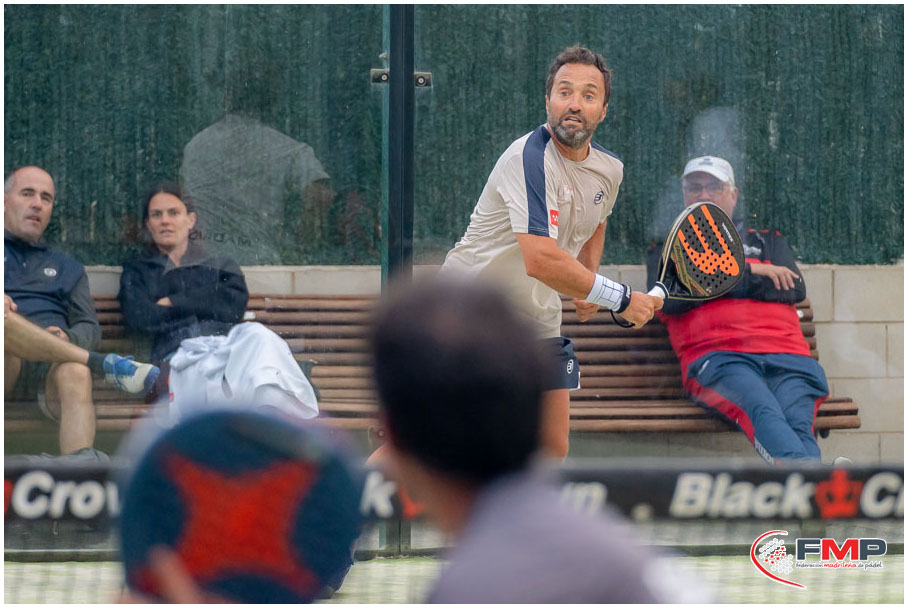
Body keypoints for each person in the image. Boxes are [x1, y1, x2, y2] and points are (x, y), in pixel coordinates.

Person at [370, 278, 706, 603]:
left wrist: (613, 295)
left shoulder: (469, 588)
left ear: (393, 432)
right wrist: (617, 297)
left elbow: (546, 258)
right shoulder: (614, 550)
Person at [440, 45, 663, 458]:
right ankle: (349, 497)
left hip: (536, 320)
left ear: (603, 111)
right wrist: (619, 298)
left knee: (551, 448)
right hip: (468, 315)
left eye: (588, 95)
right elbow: (540, 259)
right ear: (548, 101)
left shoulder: (609, 170)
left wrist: (587, 279)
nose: (574, 104)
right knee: (430, 448)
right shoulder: (527, 159)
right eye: (564, 92)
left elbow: (598, 219)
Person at [646, 155, 829, 464]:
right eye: (695, 187)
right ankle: (812, 481)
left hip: (790, 357)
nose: (704, 194)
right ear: (684, 195)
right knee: (762, 409)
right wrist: (754, 271)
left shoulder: (767, 241)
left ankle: (805, 481)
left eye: (714, 187)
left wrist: (705, 280)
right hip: (722, 359)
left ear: (733, 194)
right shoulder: (667, 247)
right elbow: (669, 300)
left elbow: (793, 289)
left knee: (797, 422)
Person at [118, 182, 318, 422]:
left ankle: (269, 422)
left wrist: (172, 301)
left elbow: (233, 305)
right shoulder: (138, 271)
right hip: (177, 355)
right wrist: (206, 303)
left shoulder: (218, 264)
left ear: (190, 220)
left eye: (173, 212)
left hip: (228, 349)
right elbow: (140, 317)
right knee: (229, 376)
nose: (165, 221)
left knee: (259, 336)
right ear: (148, 224)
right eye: (156, 215)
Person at [4, 166, 159, 456]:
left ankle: (80, 469)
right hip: (5, 368)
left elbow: (89, 327)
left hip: (50, 371)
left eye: (46, 198)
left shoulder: (67, 266)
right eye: (27, 193)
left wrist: (68, 338)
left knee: (75, 370)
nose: (37, 203)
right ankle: (102, 363)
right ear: (3, 201)